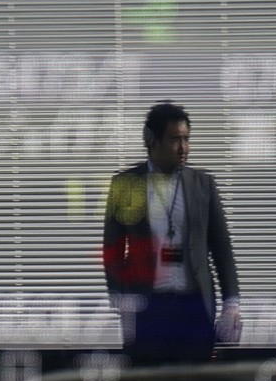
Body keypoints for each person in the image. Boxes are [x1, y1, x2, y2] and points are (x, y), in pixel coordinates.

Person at [103, 102, 241, 362]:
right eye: (175, 139)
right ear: (151, 140)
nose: (184, 148)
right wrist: (120, 299)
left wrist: (231, 301)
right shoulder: (126, 184)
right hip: (148, 307)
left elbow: (221, 246)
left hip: (195, 306)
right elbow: (113, 248)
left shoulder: (203, 184)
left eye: (187, 139)